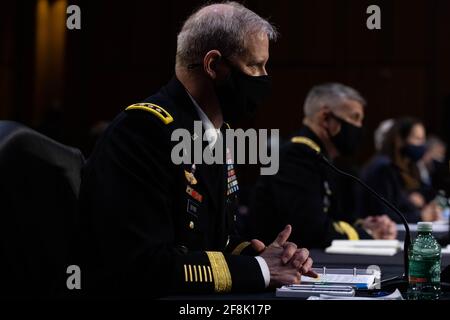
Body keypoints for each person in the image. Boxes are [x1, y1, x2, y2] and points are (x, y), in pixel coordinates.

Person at [78, 2, 316, 298]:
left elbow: (214, 239)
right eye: (255, 65)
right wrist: (261, 270)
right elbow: (141, 264)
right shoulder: (144, 131)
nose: (264, 77)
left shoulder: (216, 133)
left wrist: (267, 256)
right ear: (214, 65)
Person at [249, 83, 397, 249]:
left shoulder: (318, 156)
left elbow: (330, 216)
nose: (360, 127)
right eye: (354, 118)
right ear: (325, 118)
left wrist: (365, 225)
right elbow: (311, 230)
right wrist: (367, 236)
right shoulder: (296, 156)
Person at [359, 117, 442, 223]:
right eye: (417, 139)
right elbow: (383, 214)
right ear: (400, 140)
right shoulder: (382, 168)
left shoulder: (409, 168)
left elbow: (426, 193)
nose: (422, 145)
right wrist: (420, 216)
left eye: (423, 140)